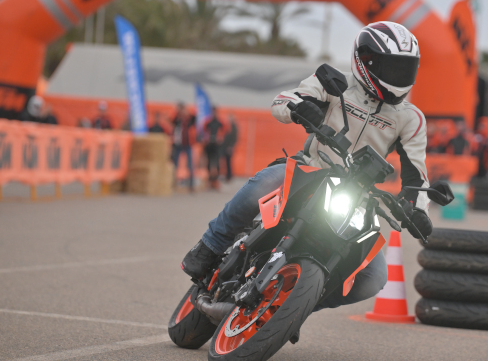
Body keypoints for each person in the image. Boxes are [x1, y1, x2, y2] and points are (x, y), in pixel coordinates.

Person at [180, 21, 433, 314]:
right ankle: (209, 246)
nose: (399, 75)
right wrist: (299, 107)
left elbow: (417, 175)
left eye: (405, 67)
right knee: (261, 186)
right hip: (310, 169)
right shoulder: (333, 82)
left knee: (373, 278)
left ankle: (291, 308)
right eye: (392, 66)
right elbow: (282, 100)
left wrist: (418, 210)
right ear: (366, 61)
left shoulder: (411, 118)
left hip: (357, 197)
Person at [171, 102, 196, 191]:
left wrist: (187, 112)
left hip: (188, 144)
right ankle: (173, 183)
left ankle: (191, 184)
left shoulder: (189, 119)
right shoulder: (177, 120)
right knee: (175, 165)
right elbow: (172, 121)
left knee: (190, 165)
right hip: (178, 144)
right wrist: (178, 114)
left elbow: (194, 118)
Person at [203, 109, 225, 190]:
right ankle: (210, 180)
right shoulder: (208, 122)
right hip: (209, 144)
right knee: (209, 163)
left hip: (217, 145)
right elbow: (204, 131)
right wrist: (206, 139)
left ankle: (215, 181)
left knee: (217, 163)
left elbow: (225, 131)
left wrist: (220, 138)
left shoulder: (220, 122)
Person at [222, 114, 238, 182]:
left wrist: (231, 146)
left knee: (228, 162)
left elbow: (234, 138)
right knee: (226, 161)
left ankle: (229, 175)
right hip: (226, 146)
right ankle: (227, 175)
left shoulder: (234, 127)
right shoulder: (229, 126)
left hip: (229, 147)